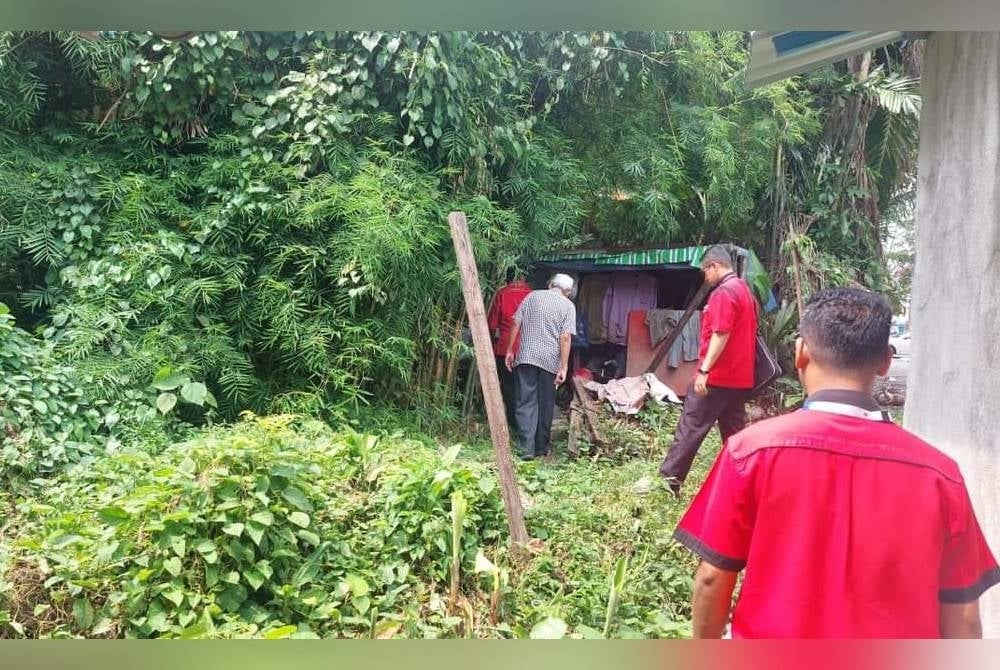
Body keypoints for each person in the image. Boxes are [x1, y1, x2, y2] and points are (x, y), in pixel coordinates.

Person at [673, 287, 999, 638]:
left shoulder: (750, 452)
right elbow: (963, 616)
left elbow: (710, 579)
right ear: (886, 362)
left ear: (800, 353)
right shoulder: (940, 474)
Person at [659, 245, 758, 494]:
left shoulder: (724, 293)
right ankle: (744, 483)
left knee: (691, 426)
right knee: (735, 435)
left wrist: (704, 370)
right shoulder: (744, 290)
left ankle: (669, 480)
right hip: (738, 379)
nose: (705, 277)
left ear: (714, 266)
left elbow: (721, 334)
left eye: (705, 271)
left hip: (716, 378)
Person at [505, 273, 576, 461]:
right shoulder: (568, 306)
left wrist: (510, 350)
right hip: (549, 361)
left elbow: (515, 322)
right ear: (568, 291)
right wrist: (564, 366)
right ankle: (541, 448)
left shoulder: (532, 296)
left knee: (525, 401)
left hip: (526, 356)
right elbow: (565, 337)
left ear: (550, 284)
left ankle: (525, 448)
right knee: (546, 403)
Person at [487, 268, 532, 428]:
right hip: (528, 347)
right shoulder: (532, 294)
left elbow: (492, 325)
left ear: (507, 278)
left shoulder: (502, 294)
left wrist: (490, 345)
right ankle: (525, 424)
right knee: (526, 387)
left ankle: (512, 422)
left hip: (506, 347)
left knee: (508, 386)